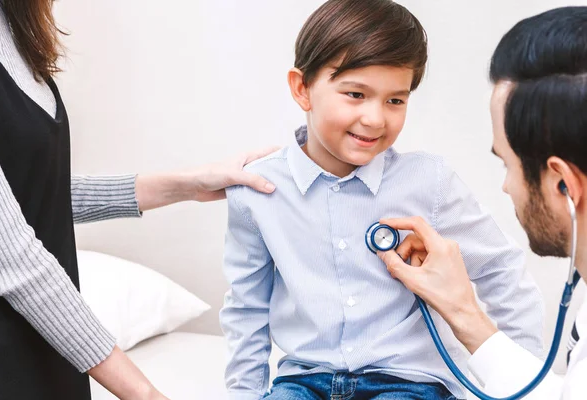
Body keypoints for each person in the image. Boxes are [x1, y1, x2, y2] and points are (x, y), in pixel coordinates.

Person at [219, 1, 545, 399]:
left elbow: (500, 269)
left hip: (408, 381)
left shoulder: (429, 181)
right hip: (305, 381)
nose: (375, 118)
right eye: (355, 94)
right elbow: (246, 308)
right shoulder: (257, 190)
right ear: (302, 88)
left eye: (395, 100)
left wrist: (522, 377)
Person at [0, 0, 277, 399]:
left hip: (48, 349)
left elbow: (34, 194)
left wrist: (191, 185)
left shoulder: (7, 21)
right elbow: (12, 258)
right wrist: (147, 395)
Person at [378, 6, 587, 399]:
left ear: (562, 183)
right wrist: (463, 312)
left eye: (507, 164)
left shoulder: (431, 179)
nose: (507, 187)